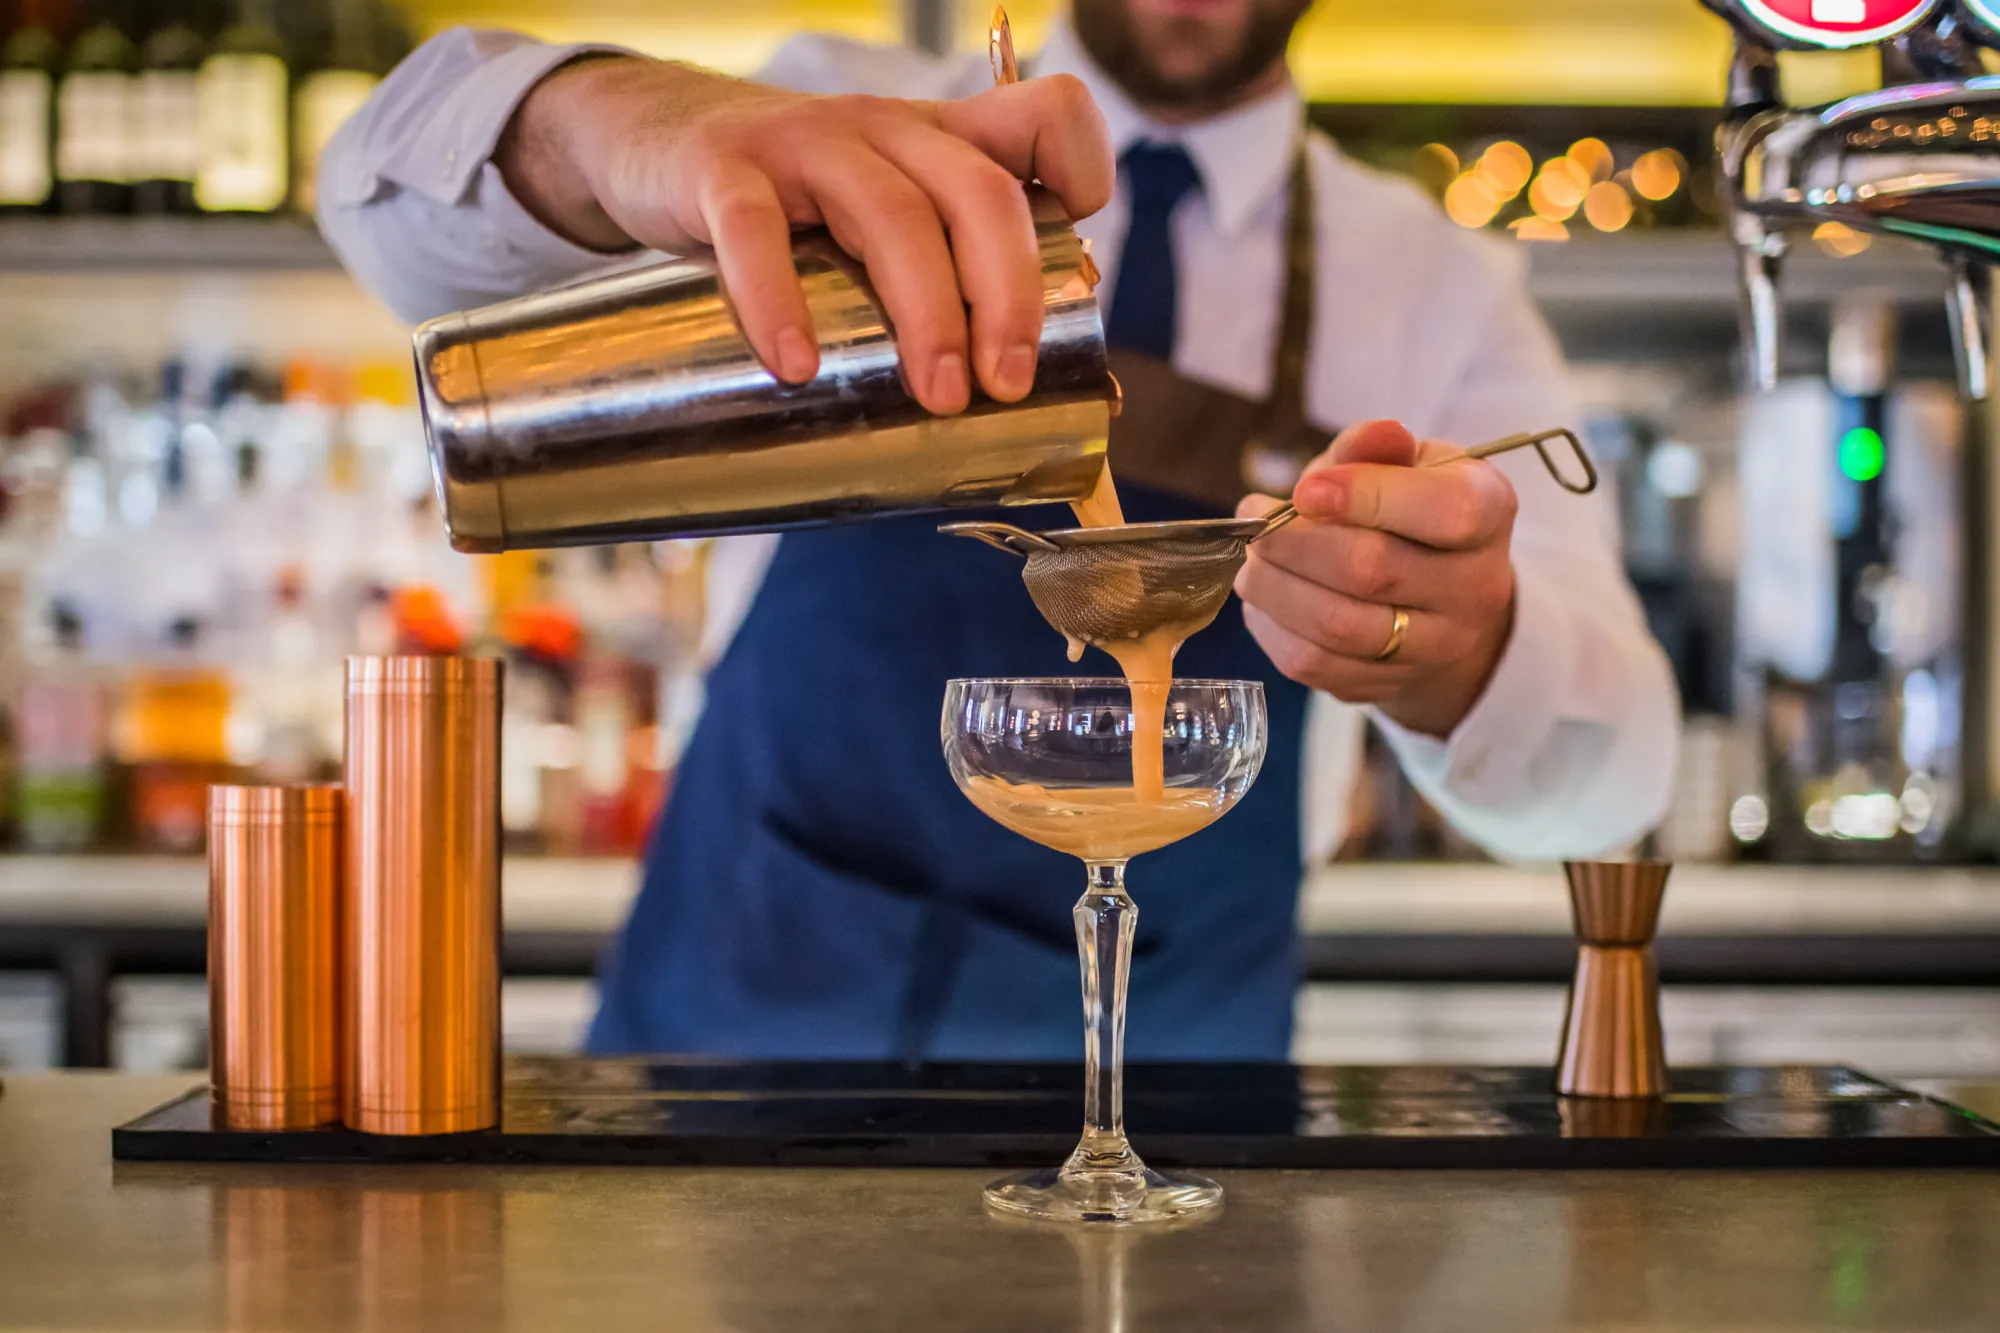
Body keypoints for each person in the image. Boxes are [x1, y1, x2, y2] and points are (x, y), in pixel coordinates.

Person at [317, 0, 1679, 1061]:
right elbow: (377, 189)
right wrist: (627, 129)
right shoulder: (835, 117)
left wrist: (1463, 651)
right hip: (735, 1050)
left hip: (1174, 1104)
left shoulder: (1434, 288)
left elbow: (1613, 776)